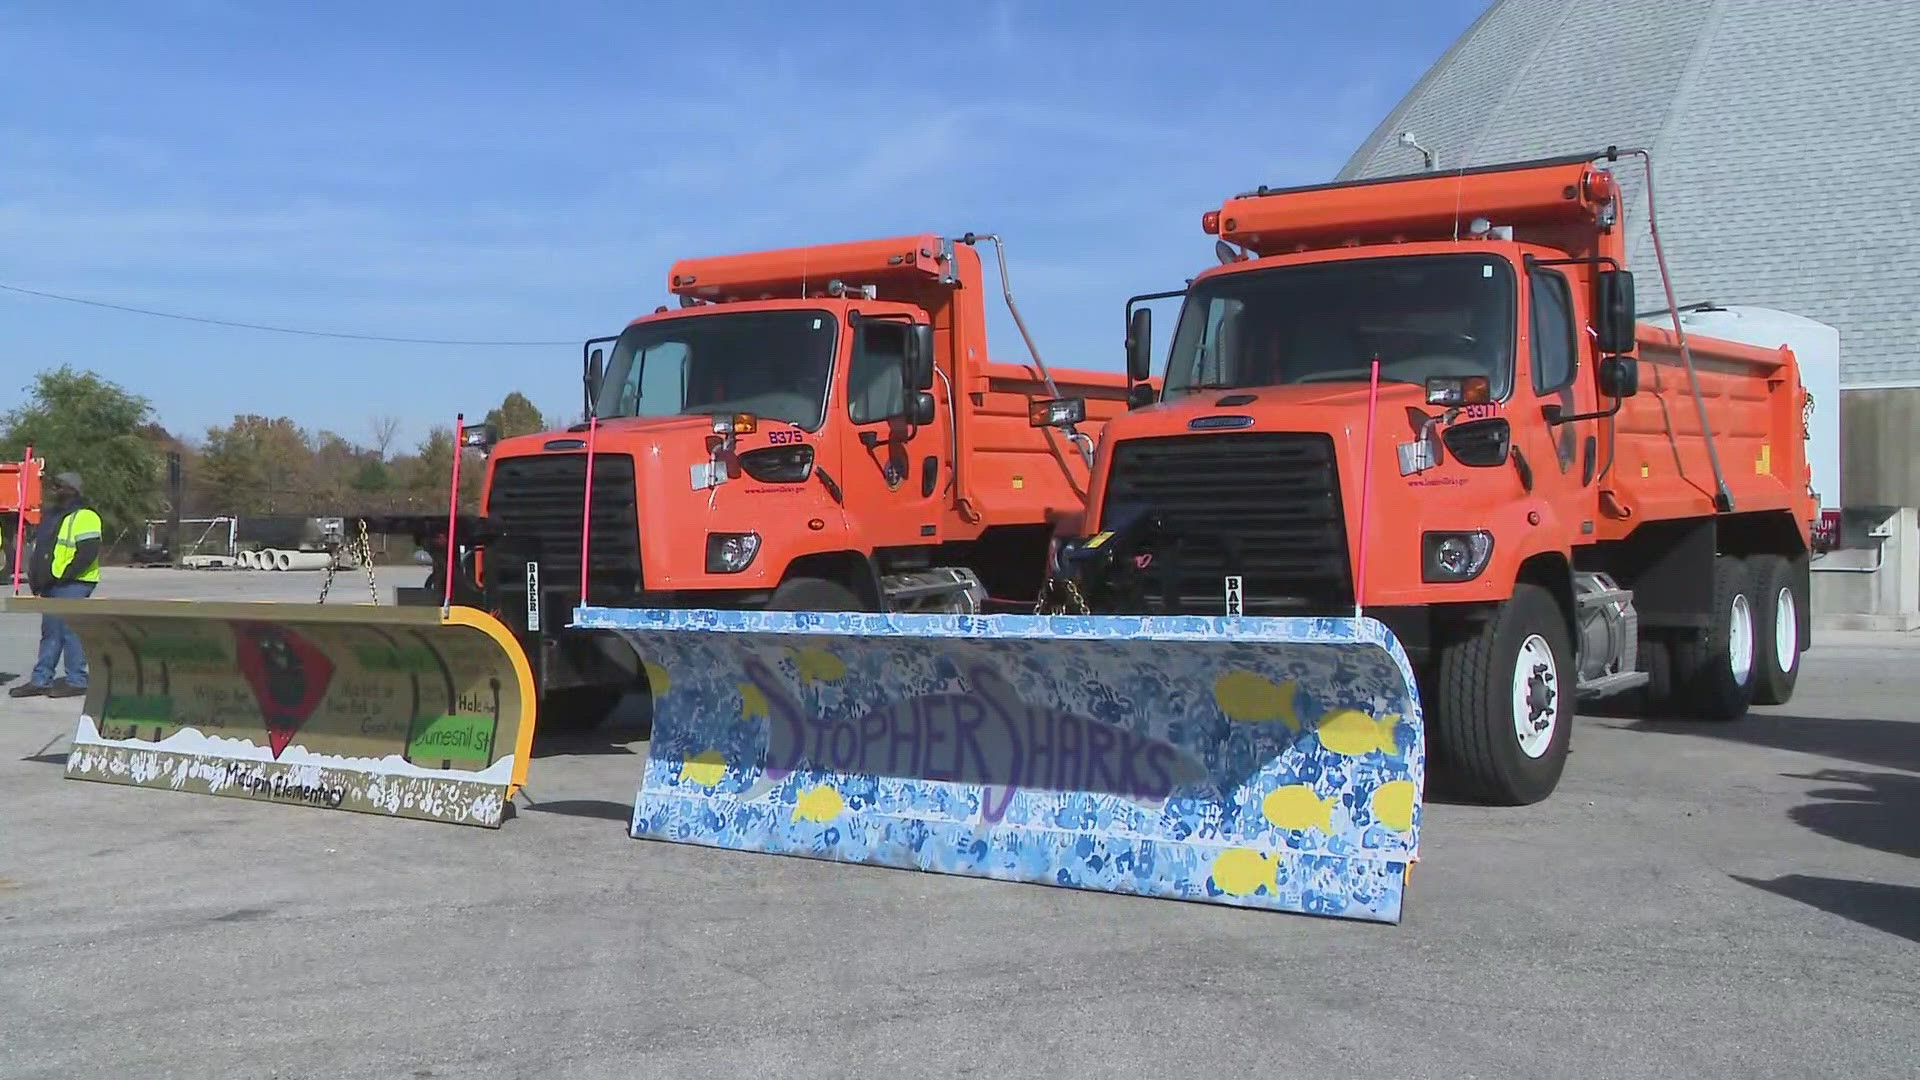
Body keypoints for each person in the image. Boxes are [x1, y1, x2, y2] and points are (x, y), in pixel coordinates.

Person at [10, 471, 102, 700]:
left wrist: (63, 576)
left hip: (74, 582)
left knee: (70, 631)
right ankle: (41, 680)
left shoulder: (86, 516)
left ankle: (76, 680)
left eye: (59, 486)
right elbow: (41, 550)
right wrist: (36, 578)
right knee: (50, 632)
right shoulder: (51, 516)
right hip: (52, 584)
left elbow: (87, 553)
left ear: (72, 489)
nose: (54, 490)